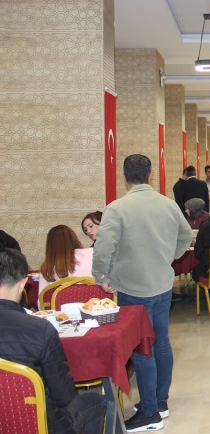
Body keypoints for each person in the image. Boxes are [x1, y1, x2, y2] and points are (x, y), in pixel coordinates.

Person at [92, 154, 193, 431]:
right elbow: (186, 235)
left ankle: (149, 413)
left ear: (124, 177)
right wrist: (169, 256)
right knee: (161, 342)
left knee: (142, 348)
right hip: (161, 284)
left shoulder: (117, 208)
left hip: (132, 288)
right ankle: (160, 401)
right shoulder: (168, 204)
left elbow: (103, 247)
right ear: (150, 175)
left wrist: (101, 277)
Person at [0, 247, 106, 434]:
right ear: (23, 283)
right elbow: (64, 397)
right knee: (96, 401)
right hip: (40, 424)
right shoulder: (40, 330)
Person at [39, 225, 94, 290]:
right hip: (96, 295)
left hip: (61, 296)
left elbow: (42, 295)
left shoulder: (47, 268)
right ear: (73, 238)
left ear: (50, 245)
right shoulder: (92, 253)